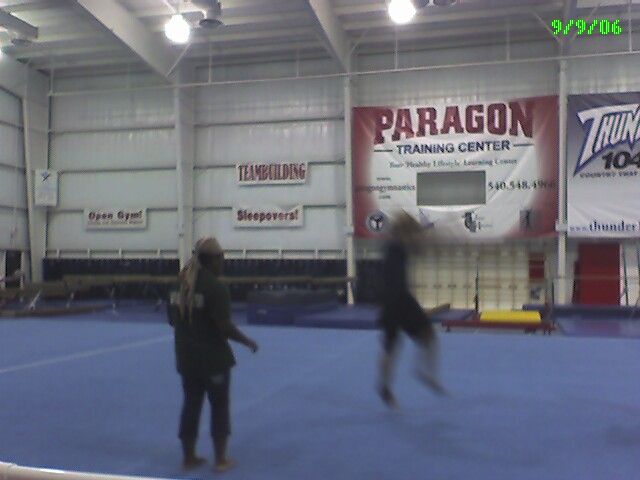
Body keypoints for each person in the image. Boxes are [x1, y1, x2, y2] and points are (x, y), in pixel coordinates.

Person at [169, 237, 258, 473]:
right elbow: (224, 326)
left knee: (191, 405)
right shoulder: (216, 288)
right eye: (221, 258)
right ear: (213, 260)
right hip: (213, 360)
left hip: (187, 359)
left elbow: (172, 320)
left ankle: (188, 459)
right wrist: (247, 341)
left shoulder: (179, 286)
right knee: (219, 407)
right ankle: (220, 460)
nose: (223, 263)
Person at [377, 211, 445, 409]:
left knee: (390, 347)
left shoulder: (393, 245)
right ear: (406, 232)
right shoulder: (398, 245)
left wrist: (428, 233)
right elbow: (417, 244)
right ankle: (424, 371)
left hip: (388, 300)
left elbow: (418, 245)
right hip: (401, 299)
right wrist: (432, 232)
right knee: (429, 334)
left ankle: (384, 387)